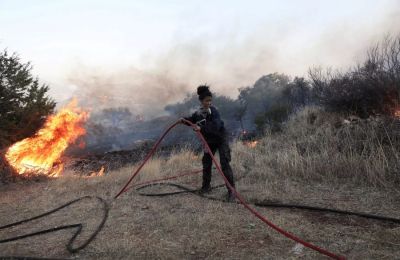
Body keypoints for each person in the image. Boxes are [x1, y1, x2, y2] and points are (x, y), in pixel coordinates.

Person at [180, 85, 235, 202]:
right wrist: (183, 120)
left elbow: (216, 125)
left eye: (210, 100)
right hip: (209, 141)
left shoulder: (214, 111)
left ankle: (232, 192)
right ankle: (206, 187)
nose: (209, 103)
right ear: (201, 101)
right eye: (206, 101)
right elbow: (191, 120)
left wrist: (201, 129)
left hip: (220, 139)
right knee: (206, 163)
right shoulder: (198, 113)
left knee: (224, 163)